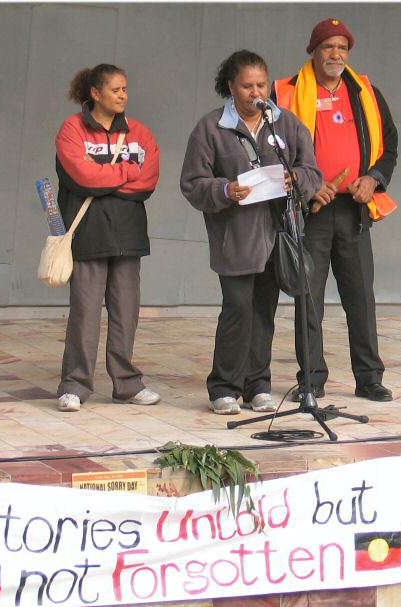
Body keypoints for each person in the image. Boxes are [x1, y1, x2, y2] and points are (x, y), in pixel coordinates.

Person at [180, 50, 322, 415]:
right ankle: (224, 387)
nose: (255, 92)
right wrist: (226, 190)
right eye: (247, 85)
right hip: (236, 236)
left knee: (264, 311)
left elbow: (312, 171)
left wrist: (296, 179)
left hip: (279, 233)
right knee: (238, 309)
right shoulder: (211, 127)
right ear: (230, 86)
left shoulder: (285, 123)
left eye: (261, 84)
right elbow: (192, 182)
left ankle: (258, 384)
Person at [271, 18, 398, 403]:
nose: (336, 54)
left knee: (361, 297)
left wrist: (373, 178)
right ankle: (311, 379)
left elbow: (389, 144)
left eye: (342, 47)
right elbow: (271, 150)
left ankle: (369, 378)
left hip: (355, 209)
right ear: (313, 51)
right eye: (328, 46)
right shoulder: (287, 94)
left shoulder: (365, 92)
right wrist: (310, 187)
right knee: (307, 297)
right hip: (311, 210)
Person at [55, 63, 161, 412]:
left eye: (125, 89)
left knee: (126, 311)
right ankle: (74, 384)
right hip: (88, 234)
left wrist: (105, 177)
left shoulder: (139, 132)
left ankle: (127, 384)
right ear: (95, 93)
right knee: (85, 312)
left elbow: (147, 180)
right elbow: (82, 177)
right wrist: (125, 172)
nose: (123, 96)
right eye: (116, 90)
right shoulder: (72, 130)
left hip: (128, 236)